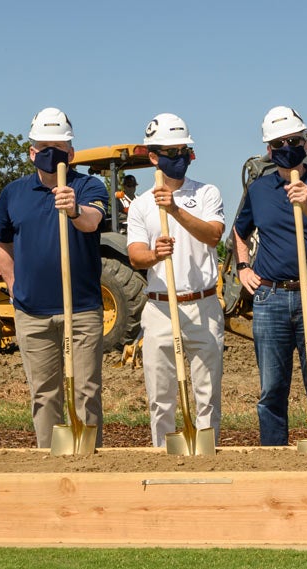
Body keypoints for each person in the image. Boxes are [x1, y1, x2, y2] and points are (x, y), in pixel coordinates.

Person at [0, 107, 109, 448]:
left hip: (82, 310)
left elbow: (92, 221)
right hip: (32, 312)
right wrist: (14, 287)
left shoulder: (88, 186)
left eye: (59, 148)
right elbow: (2, 243)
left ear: (71, 153)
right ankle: (49, 461)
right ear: (32, 152)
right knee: (44, 394)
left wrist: (73, 208)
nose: (51, 154)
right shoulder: (13, 193)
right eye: (43, 147)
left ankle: (88, 461)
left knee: (86, 391)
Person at [232, 106, 307, 446]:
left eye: (294, 140)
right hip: (271, 298)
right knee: (271, 389)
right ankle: (274, 458)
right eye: (279, 142)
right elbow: (239, 232)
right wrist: (242, 268)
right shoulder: (259, 190)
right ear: (269, 149)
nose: (287, 147)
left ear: (306, 143)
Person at [127, 114, 225, 447]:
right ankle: (162, 456)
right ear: (154, 157)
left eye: (184, 150)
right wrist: (155, 255)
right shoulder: (140, 206)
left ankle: (206, 458)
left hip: (203, 305)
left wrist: (176, 212)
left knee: (207, 394)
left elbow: (213, 235)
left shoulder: (207, 192)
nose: (179, 157)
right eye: (171, 152)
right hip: (160, 309)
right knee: (160, 397)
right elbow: (135, 255)